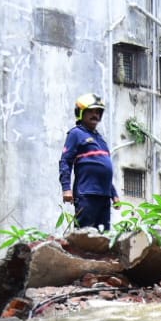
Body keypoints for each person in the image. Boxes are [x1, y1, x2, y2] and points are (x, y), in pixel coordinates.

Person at [59, 93, 117, 230]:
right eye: (90, 111)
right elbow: (65, 162)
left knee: (103, 236)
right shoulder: (76, 134)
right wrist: (66, 189)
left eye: (98, 112)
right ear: (81, 113)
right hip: (86, 194)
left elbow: (106, 171)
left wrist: (114, 194)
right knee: (84, 234)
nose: (95, 115)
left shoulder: (101, 139)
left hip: (104, 196)